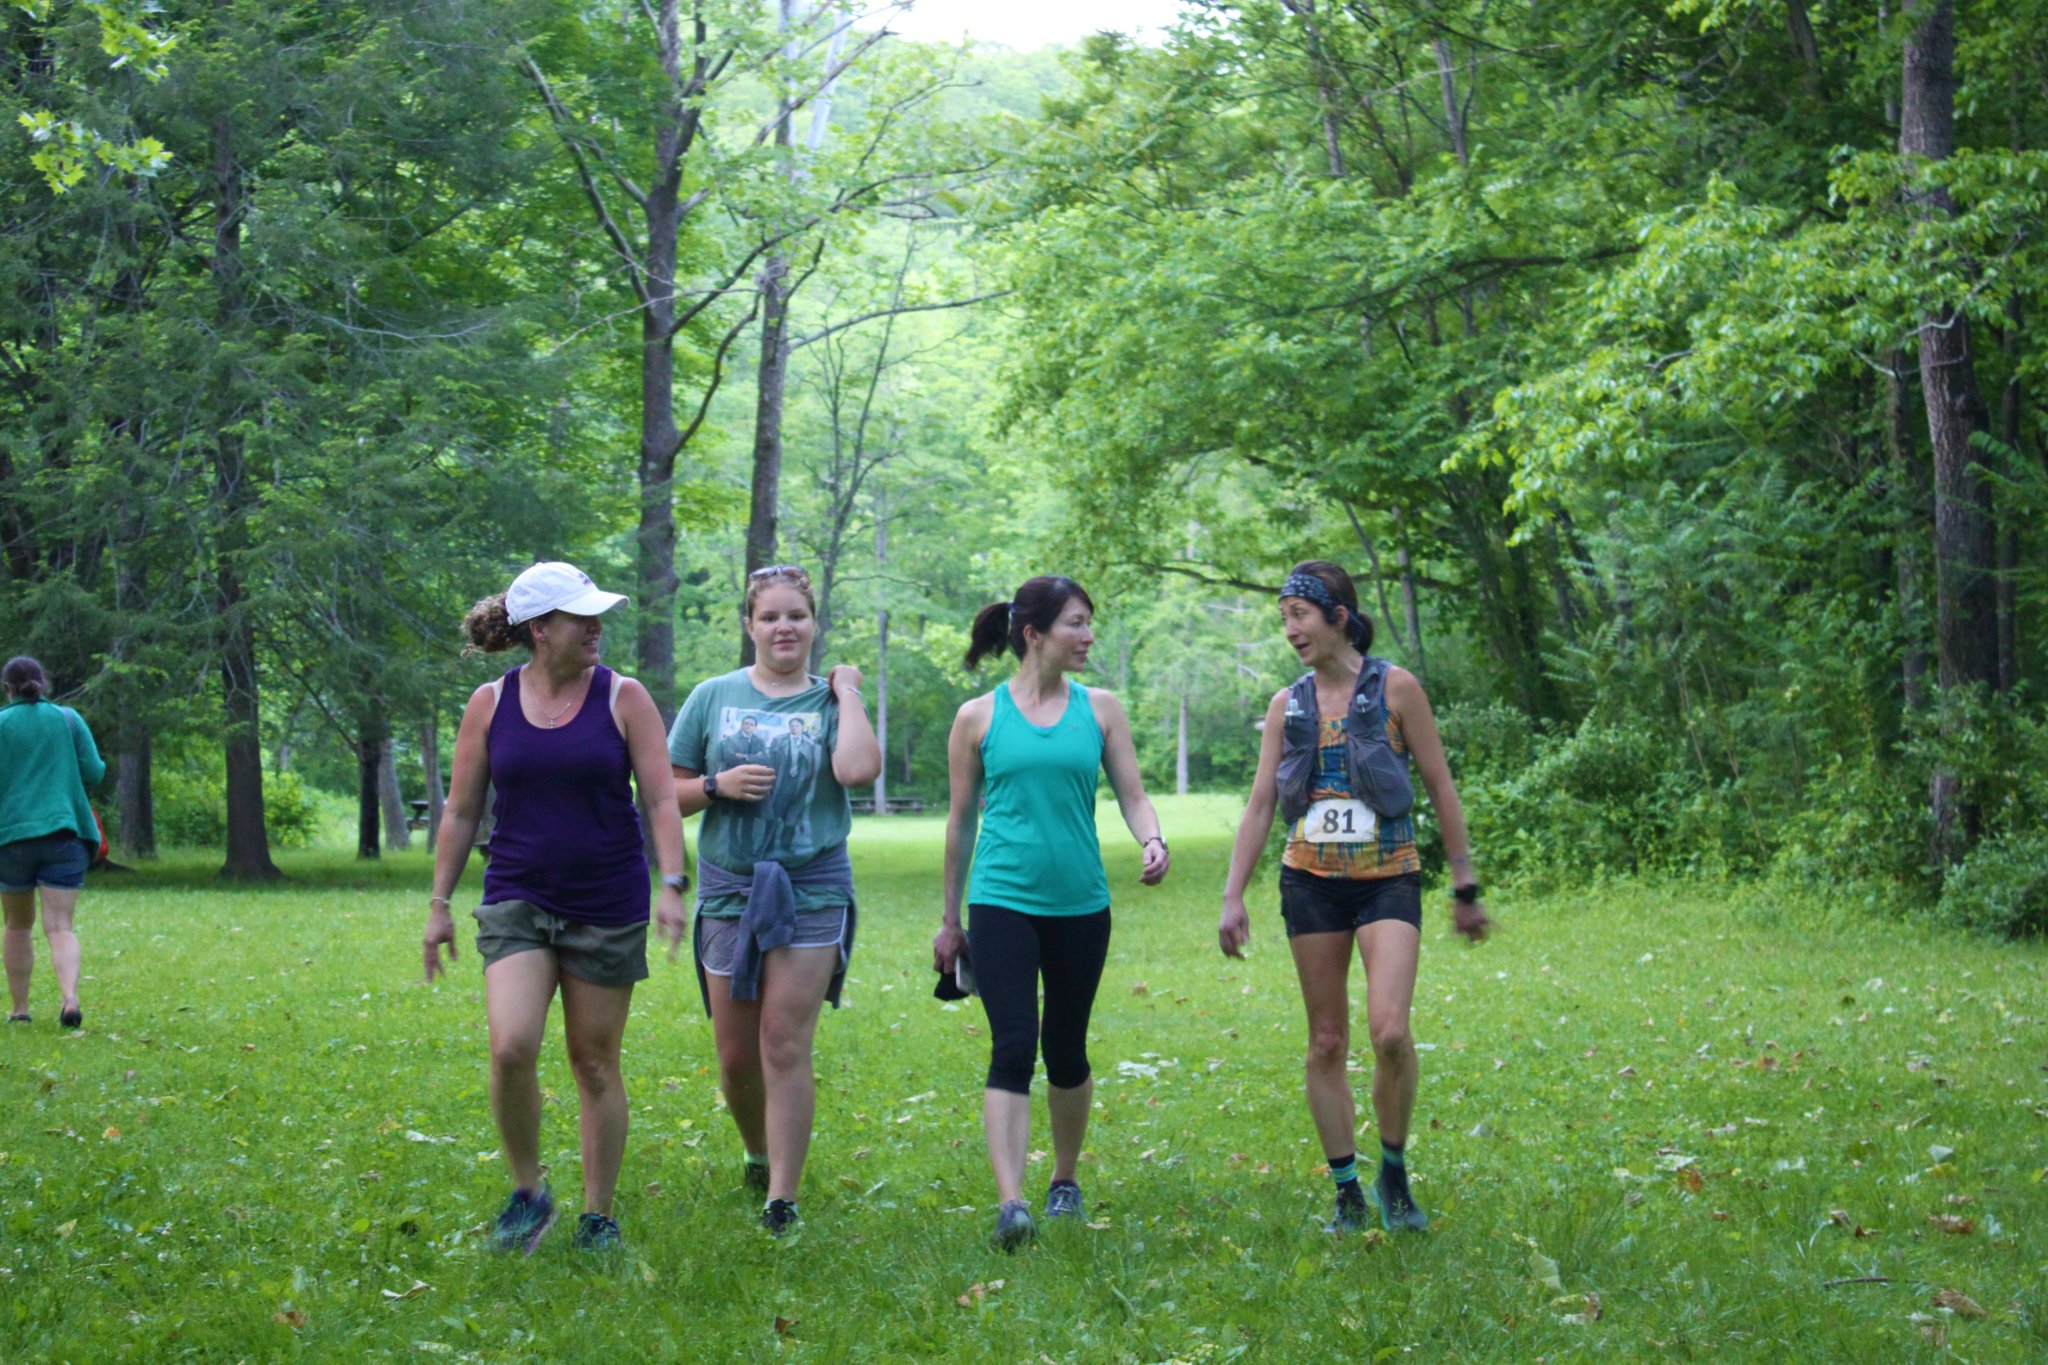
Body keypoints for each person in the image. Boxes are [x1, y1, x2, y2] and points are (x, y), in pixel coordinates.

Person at [421, 562, 689, 1255]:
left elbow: (661, 798)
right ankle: (527, 1192)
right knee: (511, 1046)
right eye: (580, 616)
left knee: (593, 1060)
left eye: (596, 615)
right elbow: (461, 810)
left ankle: (598, 1216)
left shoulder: (624, 697)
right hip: (517, 895)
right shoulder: (490, 703)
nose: (596, 627)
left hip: (606, 901)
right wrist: (439, 903)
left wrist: (672, 882)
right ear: (540, 629)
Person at [1217, 561, 1490, 1235]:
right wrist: (1233, 895)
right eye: (1283, 617)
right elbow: (1260, 805)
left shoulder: (1396, 688)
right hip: (1310, 884)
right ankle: (1346, 1192)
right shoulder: (1288, 705)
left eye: (1300, 615)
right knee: (1326, 1041)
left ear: (1338, 616)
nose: (1290, 629)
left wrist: (1464, 884)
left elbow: (1441, 787)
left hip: (1388, 877)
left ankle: (1393, 1171)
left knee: (1390, 1031)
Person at [931, 575, 1170, 1251]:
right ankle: (1012, 1203)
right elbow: (959, 824)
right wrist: (950, 920)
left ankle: (1064, 1180)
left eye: (1089, 622)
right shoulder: (978, 717)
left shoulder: (1101, 709)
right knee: (1012, 1045)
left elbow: (1133, 794)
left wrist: (1152, 838)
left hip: (1081, 903)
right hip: (1002, 899)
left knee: (1066, 1047)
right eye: (1076, 623)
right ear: (1034, 634)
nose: (1088, 635)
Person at [668, 565, 880, 1235]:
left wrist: (848, 691)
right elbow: (663, 793)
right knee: (736, 1057)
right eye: (770, 617)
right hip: (730, 887)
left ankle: (782, 1199)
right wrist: (717, 784)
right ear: (749, 625)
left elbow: (857, 770)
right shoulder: (713, 696)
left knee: (784, 1042)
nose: (784, 627)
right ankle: (757, 1153)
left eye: (796, 615)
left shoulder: (830, 700)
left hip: (812, 885)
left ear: (814, 623)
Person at [0, 657, 104, 1029]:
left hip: (11, 837)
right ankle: (69, 999)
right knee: (60, 926)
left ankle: (20, 1010)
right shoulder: (68, 719)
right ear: (43, 682)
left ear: (7, 688)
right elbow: (95, 772)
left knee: (17, 924)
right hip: (63, 833)